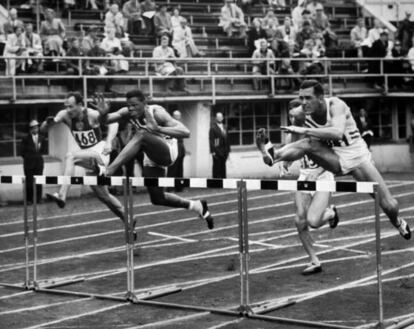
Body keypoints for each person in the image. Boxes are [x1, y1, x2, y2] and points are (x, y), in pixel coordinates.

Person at [256, 79, 411, 240]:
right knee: (307, 143)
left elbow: (337, 132)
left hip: (357, 157)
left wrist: (303, 129)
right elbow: (297, 140)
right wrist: (286, 159)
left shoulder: (336, 105)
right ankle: (273, 155)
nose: (304, 103)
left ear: (321, 97)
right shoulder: (298, 113)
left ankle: (397, 222)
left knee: (389, 205)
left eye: (308, 98)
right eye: (301, 98)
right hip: (334, 158)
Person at [90, 90, 214, 229]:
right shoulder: (127, 112)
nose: (131, 109)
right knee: (157, 198)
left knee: (142, 133)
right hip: (150, 154)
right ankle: (197, 206)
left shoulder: (157, 113)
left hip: (168, 150)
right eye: (129, 105)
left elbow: (186, 132)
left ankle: (108, 171)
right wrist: (103, 114)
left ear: (144, 103)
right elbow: (105, 121)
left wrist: (158, 128)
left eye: (135, 105)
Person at [260, 99, 339, 275]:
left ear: (304, 113)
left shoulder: (319, 129)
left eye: (294, 113)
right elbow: (291, 153)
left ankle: (331, 213)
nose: (292, 117)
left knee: (313, 221)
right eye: (290, 115)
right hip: (304, 176)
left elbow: (334, 157)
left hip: (323, 175)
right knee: (299, 221)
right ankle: (314, 260)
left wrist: (317, 171)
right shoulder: (291, 134)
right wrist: (284, 163)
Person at [39, 92, 130, 233]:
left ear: (80, 105)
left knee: (70, 156)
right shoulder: (64, 115)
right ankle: (128, 218)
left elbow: (114, 123)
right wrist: (46, 123)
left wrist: (109, 142)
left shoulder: (92, 114)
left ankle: (62, 195)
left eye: (71, 107)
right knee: (104, 196)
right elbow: (43, 130)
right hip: (87, 156)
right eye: (66, 106)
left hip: (100, 153)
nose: (68, 110)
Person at [20, 120, 46, 204]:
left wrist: (37, 157)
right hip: (28, 164)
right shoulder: (25, 138)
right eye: (34, 128)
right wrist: (29, 158)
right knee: (29, 182)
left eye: (37, 127)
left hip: (39, 163)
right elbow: (22, 152)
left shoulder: (42, 138)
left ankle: (38, 199)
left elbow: (43, 150)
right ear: (30, 129)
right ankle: (28, 199)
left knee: (39, 181)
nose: (36, 129)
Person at [167, 110, 186, 192]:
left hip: (181, 148)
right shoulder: (170, 125)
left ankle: (179, 187)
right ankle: (170, 187)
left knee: (180, 169)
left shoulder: (180, 124)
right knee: (172, 169)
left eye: (179, 115)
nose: (178, 117)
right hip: (174, 147)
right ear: (173, 116)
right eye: (176, 116)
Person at [209, 112, 231, 178]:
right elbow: (211, 140)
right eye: (218, 117)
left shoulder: (225, 127)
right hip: (216, 151)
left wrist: (228, 151)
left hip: (224, 151)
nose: (219, 118)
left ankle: (223, 181)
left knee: (223, 166)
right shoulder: (213, 128)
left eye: (221, 117)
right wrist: (212, 151)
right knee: (216, 167)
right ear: (216, 118)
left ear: (223, 118)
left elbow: (228, 139)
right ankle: (216, 182)